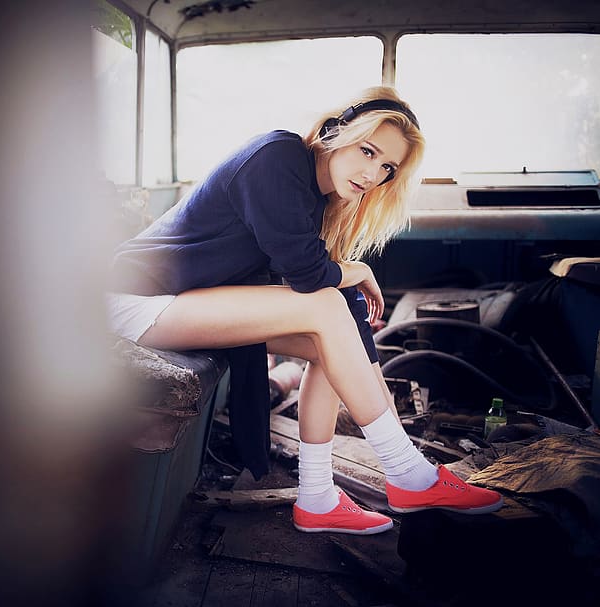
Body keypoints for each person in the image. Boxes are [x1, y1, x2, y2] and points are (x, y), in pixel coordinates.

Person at [106, 85, 504, 535]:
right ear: (336, 131)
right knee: (329, 305)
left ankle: (317, 497)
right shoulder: (277, 158)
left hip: (182, 298)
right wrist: (355, 270)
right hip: (133, 300)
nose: (372, 173)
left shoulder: (313, 197)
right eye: (367, 151)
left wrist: (360, 328)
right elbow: (312, 278)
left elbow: (328, 299)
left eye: (386, 167)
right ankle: (408, 473)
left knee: (328, 335)